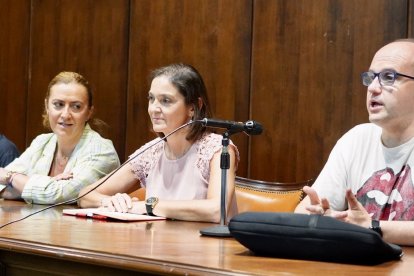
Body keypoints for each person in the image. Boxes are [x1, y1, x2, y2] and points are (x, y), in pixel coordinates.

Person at [78, 63, 239, 223]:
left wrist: (149, 206)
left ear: (193, 107)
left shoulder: (219, 149)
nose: (154, 108)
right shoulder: (151, 153)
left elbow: (217, 210)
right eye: (151, 98)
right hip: (160, 245)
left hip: (207, 246)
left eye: (166, 101)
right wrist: (109, 201)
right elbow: (85, 196)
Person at [295, 39, 414, 246]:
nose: (373, 88)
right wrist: (320, 219)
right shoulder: (357, 139)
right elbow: (303, 212)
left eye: (388, 77)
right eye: (371, 77)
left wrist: (372, 227)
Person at [0, 71, 120, 204]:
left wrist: (10, 177)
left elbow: (62, 195)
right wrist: (49, 184)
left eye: (76, 106)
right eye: (58, 104)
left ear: (89, 113)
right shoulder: (42, 142)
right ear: (47, 106)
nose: (65, 114)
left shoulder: (102, 151)